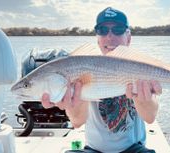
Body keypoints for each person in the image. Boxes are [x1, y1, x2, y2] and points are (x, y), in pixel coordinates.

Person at [41, 7, 162, 153]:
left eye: (117, 29)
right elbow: (77, 122)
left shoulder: (140, 68)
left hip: (134, 148)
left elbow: (149, 117)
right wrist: (73, 102)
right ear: (97, 39)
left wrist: (144, 99)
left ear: (128, 37)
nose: (110, 36)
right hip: (94, 150)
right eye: (103, 30)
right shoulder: (82, 68)